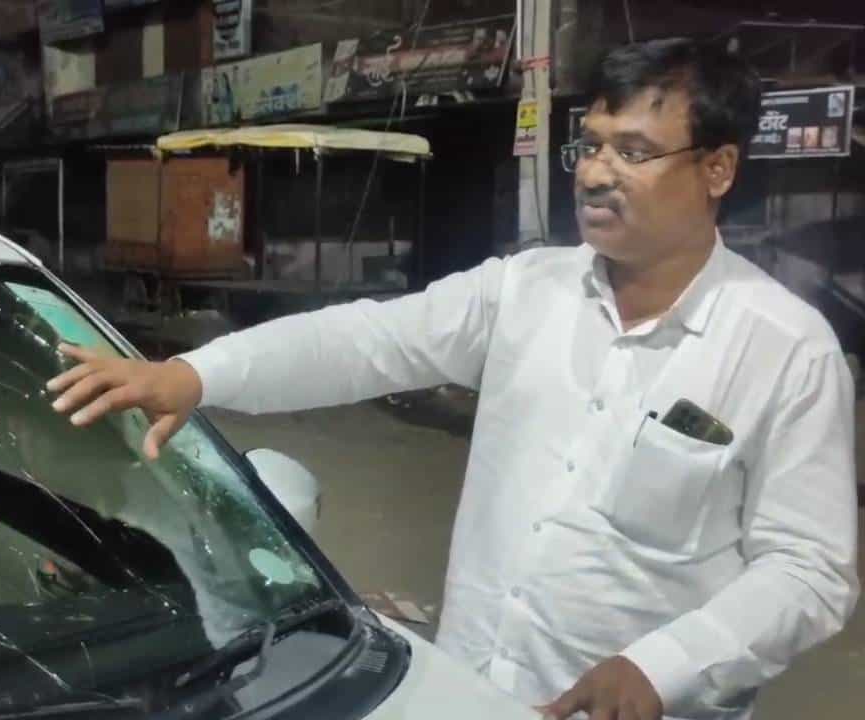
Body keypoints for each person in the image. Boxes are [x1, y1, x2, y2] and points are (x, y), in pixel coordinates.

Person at [47, 38, 858, 720]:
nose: (596, 173)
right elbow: (366, 340)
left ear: (718, 169)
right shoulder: (525, 291)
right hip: (472, 693)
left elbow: (809, 571)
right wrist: (196, 374)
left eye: (634, 152)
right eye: (591, 145)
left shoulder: (784, 350)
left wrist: (663, 665)